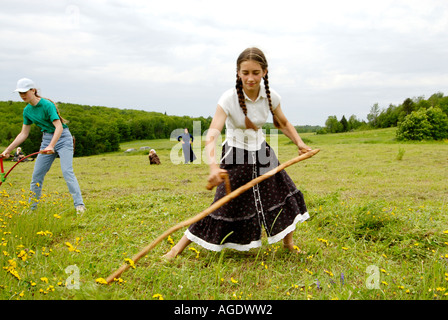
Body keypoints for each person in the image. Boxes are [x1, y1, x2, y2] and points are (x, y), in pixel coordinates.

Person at [163, 47, 312, 259]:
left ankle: (289, 244)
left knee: (282, 191)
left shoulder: (271, 96)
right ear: (238, 73)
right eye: (245, 73)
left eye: (255, 73)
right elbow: (212, 134)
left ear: (264, 72)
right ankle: (176, 249)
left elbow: (283, 122)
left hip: (262, 151)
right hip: (235, 153)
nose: (250, 78)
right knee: (222, 203)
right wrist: (214, 166)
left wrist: (300, 143)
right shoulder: (228, 98)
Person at [0, 78, 86, 214]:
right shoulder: (27, 111)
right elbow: (23, 133)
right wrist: (7, 150)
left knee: (67, 172)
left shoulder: (47, 105)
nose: (22, 95)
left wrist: (51, 146)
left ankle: (79, 205)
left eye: (24, 92)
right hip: (46, 139)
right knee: (36, 176)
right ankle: (32, 209)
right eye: (19, 93)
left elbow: (58, 127)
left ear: (33, 90)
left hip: (63, 138)